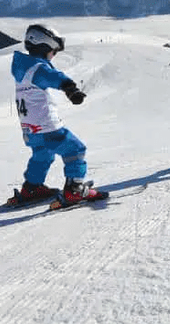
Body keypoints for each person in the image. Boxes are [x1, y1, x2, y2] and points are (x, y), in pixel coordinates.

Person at [9, 24, 101, 207]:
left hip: (30, 128)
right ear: (44, 47)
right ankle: (75, 190)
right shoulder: (37, 69)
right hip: (46, 125)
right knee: (75, 149)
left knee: (43, 154)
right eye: (53, 51)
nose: (54, 55)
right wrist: (71, 89)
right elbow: (53, 76)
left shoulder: (22, 68)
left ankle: (32, 188)